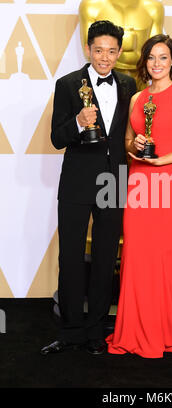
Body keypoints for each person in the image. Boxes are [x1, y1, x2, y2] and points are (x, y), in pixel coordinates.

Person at [40, 20, 137, 356]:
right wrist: (78, 124)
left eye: (112, 51)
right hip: (78, 180)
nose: (105, 57)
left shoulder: (128, 84)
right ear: (88, 49)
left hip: (115, 180)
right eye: (99, 50)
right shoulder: (68, 84)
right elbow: (56, 137)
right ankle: (70, 331)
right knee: (70, 256)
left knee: (105, 256)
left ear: (119, 51)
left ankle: (96, 331)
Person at [106, 34, 172, 358]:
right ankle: (131, 330)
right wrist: (137, 146)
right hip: (138, 183)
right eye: (151, 58)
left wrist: (165, 158)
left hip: (169, 185)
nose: (156, 63)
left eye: (163, 57)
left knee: (163, 258)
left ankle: (163, 330)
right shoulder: (136, 99)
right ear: (144, 62)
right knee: (135, 256)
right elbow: (128, 140)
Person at [79, 0, 164, 88]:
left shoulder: (154, 8)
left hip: (140, 80)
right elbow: (90, 50)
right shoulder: (91, 6)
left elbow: (155, 51)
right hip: (105, 79)